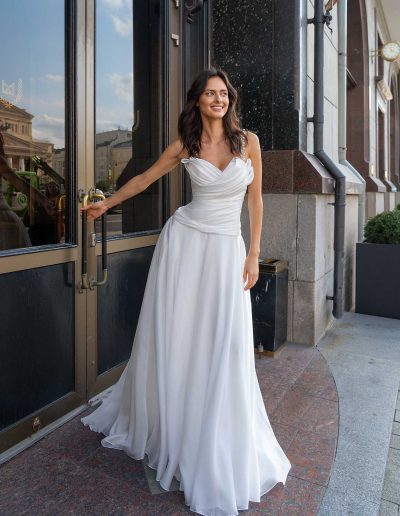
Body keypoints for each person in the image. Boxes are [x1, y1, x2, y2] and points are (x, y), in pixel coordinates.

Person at [80, 68, 291, 516]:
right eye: (210, 93)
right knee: (180, 335)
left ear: (230, 100)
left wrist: (254, 253)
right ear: (197, 101)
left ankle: (213, 427)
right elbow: (145, 179)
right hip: (185, 244)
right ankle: (170, 419)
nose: (218, 99)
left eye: (224, 93)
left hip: (226, 252)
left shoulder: (246, 142)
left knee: (223, 340)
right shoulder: (185, 145)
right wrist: (106, 203)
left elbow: (256, 201)